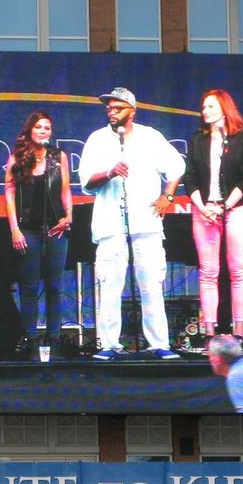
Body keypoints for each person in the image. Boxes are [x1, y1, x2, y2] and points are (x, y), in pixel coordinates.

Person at [78, 87, 185, 361]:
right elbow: (87, 183)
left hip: (146, 224)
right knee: (110, 286)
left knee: (151, 284)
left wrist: (167, 196)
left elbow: (176, 168)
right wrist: (109, 172)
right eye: (109, 108)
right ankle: (108, 345)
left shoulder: (150, 137)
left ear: (132, 111)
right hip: (110, 225)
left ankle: (160, 343)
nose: (111, 112)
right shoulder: (97, 139)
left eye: (118, 108)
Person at [183, 89, 243, 341]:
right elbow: (189, 178)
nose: (206, 111)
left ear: (225, 108)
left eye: (211, 107)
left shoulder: (241, 139)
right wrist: (203, 207)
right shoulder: (197, 140)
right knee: (208, 271)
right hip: (204, 210)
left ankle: (239, 329)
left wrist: (225, 206)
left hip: (235, 209)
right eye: (204, 107)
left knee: (238, 269)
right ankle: (210, 331)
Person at [4, 110, 73, 359]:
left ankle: (54, 341)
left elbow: (65, 189)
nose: (43, 131)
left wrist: (69, 216)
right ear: (30, 131)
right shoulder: (18, 158)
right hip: (28, 229)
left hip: (55, 229)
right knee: (29, 287)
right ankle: (32, 340)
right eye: (39, 127)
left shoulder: (58, 156)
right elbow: (9, 194)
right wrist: (14, 229)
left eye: (47, 128)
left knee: (55, 286)